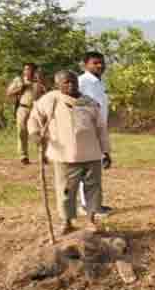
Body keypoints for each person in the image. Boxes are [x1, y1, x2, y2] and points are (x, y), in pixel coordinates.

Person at [28, 70, 111, 234]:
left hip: (91, 154)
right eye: (66, 82)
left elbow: (101, 129)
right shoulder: (51, 99)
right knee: (66, 191)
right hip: (64, 155)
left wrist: (106, 152)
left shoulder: (89, 102)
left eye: (73, 81)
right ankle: (67, 223)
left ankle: (91, 220)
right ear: (57, 85)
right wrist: (35, 134)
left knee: (93, 189)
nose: (71, 85)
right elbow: (34, 118)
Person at [77, 51, 113, 214]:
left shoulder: (99, 83)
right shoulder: (81, 81)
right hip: (87, 129)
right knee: (88, 167)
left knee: (96, 166)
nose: (100, 65)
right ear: (86, 65)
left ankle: (94, 203)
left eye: (101, 62)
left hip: (99, 128)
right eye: (95, 63)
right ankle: (88, 205)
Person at [6, 62, 46, 164]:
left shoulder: (39, 81)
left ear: (34, 71)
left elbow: (46, 93)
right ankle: (23, 156)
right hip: (23, 108)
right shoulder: (19, 80)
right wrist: (22, 87)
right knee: (22, 133)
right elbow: (9, 93)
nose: (28, 71)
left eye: (30, 69)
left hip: (36, 110)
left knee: (38, 132)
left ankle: (42, 155)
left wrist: (41, 83)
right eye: (26, 69)